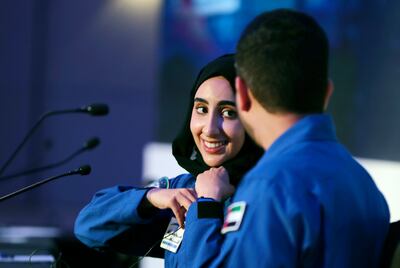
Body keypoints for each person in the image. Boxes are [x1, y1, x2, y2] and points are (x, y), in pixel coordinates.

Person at [177, 9, 390, 267]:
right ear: (327, 92)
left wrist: (207, 207)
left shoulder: (270, 187)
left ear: (242, 94)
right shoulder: (363, 185)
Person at [74, 54, 263, 265]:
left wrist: (208, 205)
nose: (209, 129)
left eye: (228, 113)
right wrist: (150, 199)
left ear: (251, 118)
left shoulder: (263, 195)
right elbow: (89, 227)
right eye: (201, 109)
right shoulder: (185, 188)